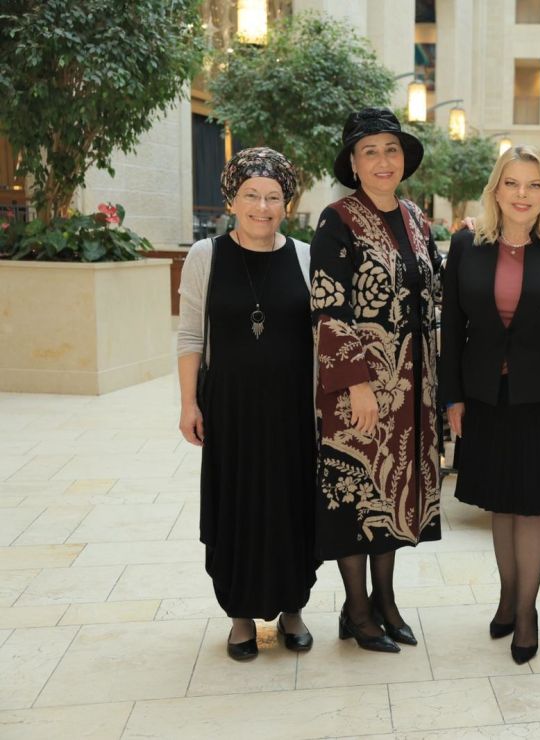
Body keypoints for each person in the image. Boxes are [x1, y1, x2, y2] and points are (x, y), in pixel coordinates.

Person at [440, 145, 540, 664]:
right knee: (501, 504)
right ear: (496, 190)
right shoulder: (467, 244)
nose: (521, 194)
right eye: (512, 183)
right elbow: (451, 326)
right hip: (485, 397)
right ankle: (507, 598)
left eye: (533, 185)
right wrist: (452, 395)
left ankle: (526, 613)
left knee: (531, 506)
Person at [177, 147, 318, 661]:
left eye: (273, 197)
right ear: (232, 201)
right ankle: (239, 615)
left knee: (291, 505)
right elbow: (190, 336)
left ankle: (292, 609)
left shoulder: (305, 256)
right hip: (230, 410)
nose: (262, 206)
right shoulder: (205, 256)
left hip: (292, 411)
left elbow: (322, 338)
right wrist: (189, 404)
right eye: (251, 195)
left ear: (287, 203)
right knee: (235, 505)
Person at [310, 107, 441, 653]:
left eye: (391, 149)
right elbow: (328, 305)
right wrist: (355, 383)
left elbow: (436, 292)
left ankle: (385, 602)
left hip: (411, 389)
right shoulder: (336, 219)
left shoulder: (416, 220)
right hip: (357, 392)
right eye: (370, 152)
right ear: (354, 164)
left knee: (391, 498)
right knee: (357, 497)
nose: (383, 160)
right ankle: (357, 611)